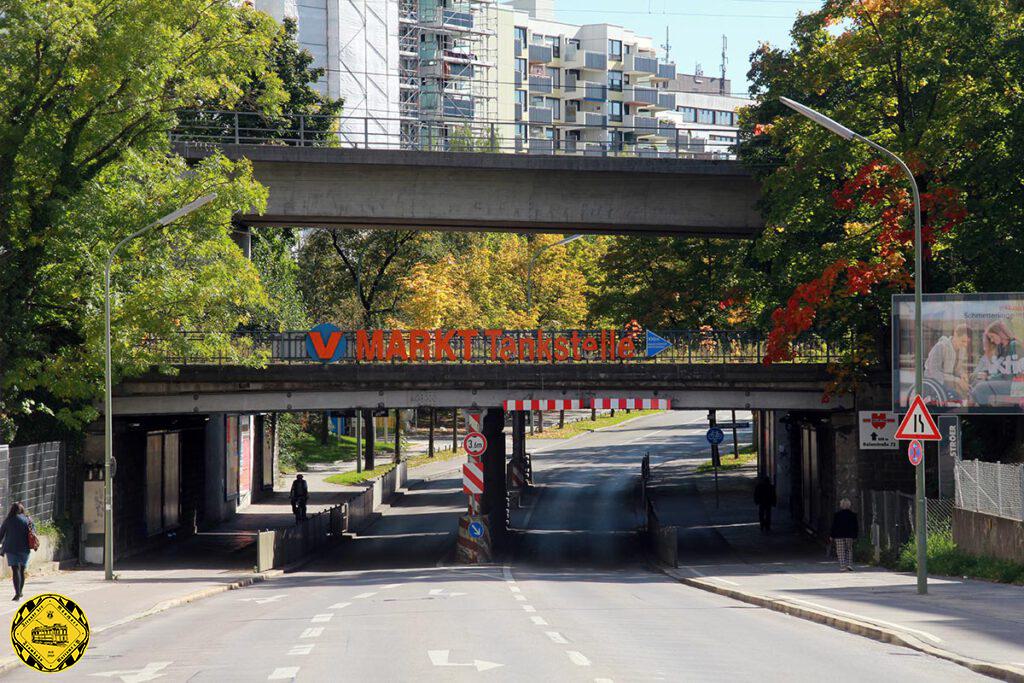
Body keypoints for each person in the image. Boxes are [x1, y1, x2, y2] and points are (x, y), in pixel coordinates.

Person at [971, 320, 1020, 407]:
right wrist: (987, 374)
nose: (991, 340)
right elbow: (1001, 370)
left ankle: (986, 412)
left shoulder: (1014, 345)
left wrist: (989, 378)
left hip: (1017, 385)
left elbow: (1010, 375)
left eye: (992, 336)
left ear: (1000, 333)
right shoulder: (1003, 348)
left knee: (980, 388)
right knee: (976, 385)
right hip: (1009, 382)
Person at [924, 323, 970, 401]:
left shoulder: (962, 350)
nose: (965, 345)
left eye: (967, 342)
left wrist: (962, 374)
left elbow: (957, 369)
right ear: (955, 334)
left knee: (969, 392)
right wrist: (956, 380)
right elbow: (934, 372)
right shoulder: (941, 346)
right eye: (963, 341)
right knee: (957, 395)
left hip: (949, 381)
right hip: (935, 382)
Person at [0, 503, 34, 600]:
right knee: (22, 570)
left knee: (15, 569)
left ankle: (17, 593)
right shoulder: (28, 519)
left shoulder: (8, 520)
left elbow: (1, 534)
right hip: (25, 548)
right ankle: (21, 591)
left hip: (11, 548)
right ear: (22, 509)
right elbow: (33, 532)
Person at [829, 499, 858, 572]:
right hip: (849, 535)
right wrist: (855, 536)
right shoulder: (853, 515)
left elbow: (834, 526)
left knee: (840, 551)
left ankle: (842, 566)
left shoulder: (837, 515)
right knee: (849, 549)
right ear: (849, 505)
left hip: (839, 535)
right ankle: (849, 565)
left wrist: (831, 535)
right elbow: (856, 526)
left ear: (841, 505)